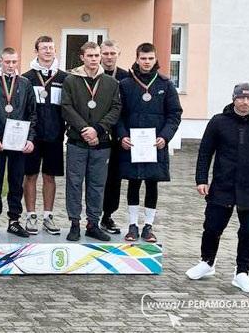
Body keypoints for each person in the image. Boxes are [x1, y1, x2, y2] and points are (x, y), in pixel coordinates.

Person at [187, 83, 249, 293]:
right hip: (223, 185)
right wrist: (201, 179)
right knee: (212, 227)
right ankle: (207, 262)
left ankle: (242, 273)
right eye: (241, 98)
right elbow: (205, 152)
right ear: (233, 99)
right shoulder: (219, 122)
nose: (245, 102)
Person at [116, 43, 182, 242]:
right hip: (132, 145)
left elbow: (175, 114)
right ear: (137, 59)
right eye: (143, 58)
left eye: (150, 58)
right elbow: (117, 115)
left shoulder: (165, 84)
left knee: (152, 184)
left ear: (155, 60)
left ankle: (148, 227)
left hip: (156, 145)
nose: (146, 62)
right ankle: (133, 225)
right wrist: (121, 136)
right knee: (134, 183)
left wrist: (165, 136)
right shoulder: (125, 84)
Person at [61, 41, 121, 242]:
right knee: (74, 183)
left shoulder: (111, 83)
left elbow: (115, 109)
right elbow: (66, 107)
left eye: (97, 56)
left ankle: (93, 224)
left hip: (101, 143)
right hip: (77, 142)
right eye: (90, 56)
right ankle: (75, 223)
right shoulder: (71, 80)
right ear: (82, 57)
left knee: (97, 185)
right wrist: (84, 129)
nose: (94, 59)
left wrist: (97, 129)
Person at [0, 47, 36, 237]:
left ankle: (14, 220)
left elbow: (32, 114)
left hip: (19, 144)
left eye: (14, 62)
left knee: (16, 181)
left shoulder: (26, 84)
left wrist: (29, 139)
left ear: (18, 62)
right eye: (7, 62)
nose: (11, 65)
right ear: (1, 61)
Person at [21, 36, 66, 235]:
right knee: (30, 175)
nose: (48, 51)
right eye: (43, 48)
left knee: (50, 176)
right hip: (32, 137)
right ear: (36, 51)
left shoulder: (64, 78)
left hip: (55, 136)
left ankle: (48, 215)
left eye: (51, 48)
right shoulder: (27, 78)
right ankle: (31, 215)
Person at [99, 40, 131, 235]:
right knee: (95, 178)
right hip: (98, 133)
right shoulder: (91, 75)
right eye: (105, 53)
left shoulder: (126, 78)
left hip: (118, 136)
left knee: (114, 178)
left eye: (112, 53)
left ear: (118, 54)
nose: (109, 57)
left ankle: (108, 215)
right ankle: (91, 216)